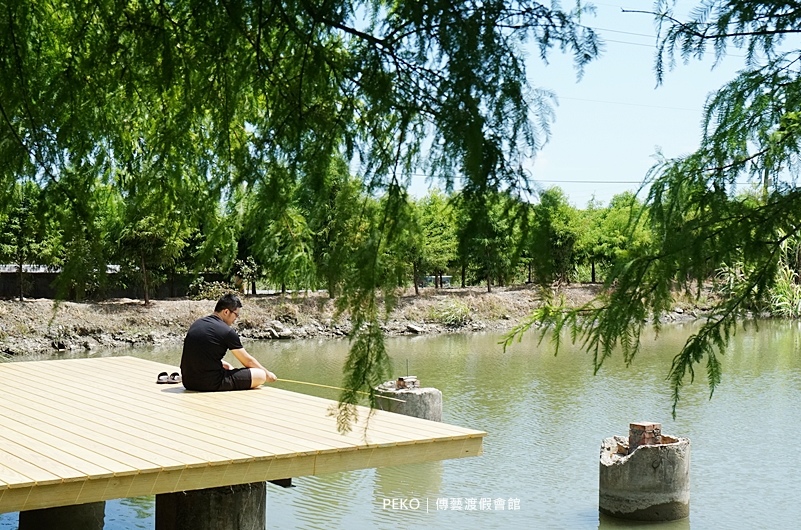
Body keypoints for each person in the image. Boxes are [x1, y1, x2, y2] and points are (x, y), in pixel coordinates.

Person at [180, 293, 277, 391]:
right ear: (226, 312)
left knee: (227, 366)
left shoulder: (197, 324)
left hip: (188, 382)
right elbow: (248, 361)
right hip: (210, 384)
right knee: (260, 375)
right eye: (236, 315)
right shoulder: (227, 331)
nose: (236, 319)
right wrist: (268, 375)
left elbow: (199, 354)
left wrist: (222, 364)